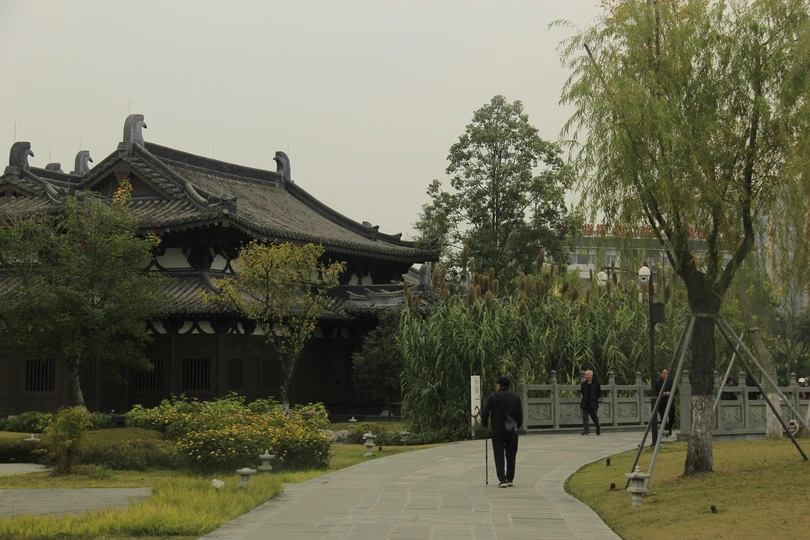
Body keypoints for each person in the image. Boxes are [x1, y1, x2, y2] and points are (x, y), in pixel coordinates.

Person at [481, 376, 523, 488]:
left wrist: (484, 424)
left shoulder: (492, 397)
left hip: (497, 430)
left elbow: (485, 412)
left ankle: (502, 479)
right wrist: (516, 427)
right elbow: (520, 416)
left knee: (498, 454)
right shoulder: (516, 398)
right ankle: (510, 478)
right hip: (511, 429)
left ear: (499, 385)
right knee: (511, 454)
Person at [655, 368, 678, 436]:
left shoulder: (671, 382)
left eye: (666, 373)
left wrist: (670, 393)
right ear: (660, 374)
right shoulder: (657, 383)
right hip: (662, 402)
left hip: (670, 401)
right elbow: (654, 392)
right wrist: (661, 394)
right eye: (664, 373)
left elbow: (676, 390)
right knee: (663, 417)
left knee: (672, 416)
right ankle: (666, 430)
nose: (665, 375)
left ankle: (669, 428)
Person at [580, 370, 601, 436]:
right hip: (585, 403)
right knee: (585, 417)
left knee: (594, 417)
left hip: (593, 403)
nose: (586, 376)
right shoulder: (583, 384)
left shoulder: (596, 383)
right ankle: (586, 429)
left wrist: (594, 398)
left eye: (587, 375)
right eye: (585, 375)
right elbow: (583, 392)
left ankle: (598, 427)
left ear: (591, 375)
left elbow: (598, 393)